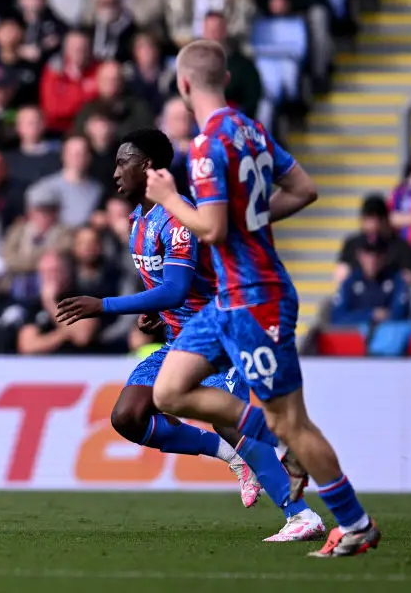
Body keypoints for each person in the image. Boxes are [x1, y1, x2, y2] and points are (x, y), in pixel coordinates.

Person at [142, 39, 379, 557]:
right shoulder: (251, 129)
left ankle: (354, 522)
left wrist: (168, 199)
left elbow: (211, 227)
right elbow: (304, 189)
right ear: (225, 79)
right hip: (227, 299)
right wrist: (254, 220)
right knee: (168, 391)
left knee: (291, 419)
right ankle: (277, 445)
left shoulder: (207, 145)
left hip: (256, 296)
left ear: (183, 85)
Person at [56, 129, 323, 542]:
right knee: (128, 416)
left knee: (228, 418)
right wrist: (158, 316)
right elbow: (176, 292)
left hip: (221, 335)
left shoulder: (179, 218)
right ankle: (232, 457)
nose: (114, 174)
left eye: (122, 162)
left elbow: (177, 289)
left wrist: (104, 305)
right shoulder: (137, 220)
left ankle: (301, 514)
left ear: (147, 167)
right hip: (179, 339)